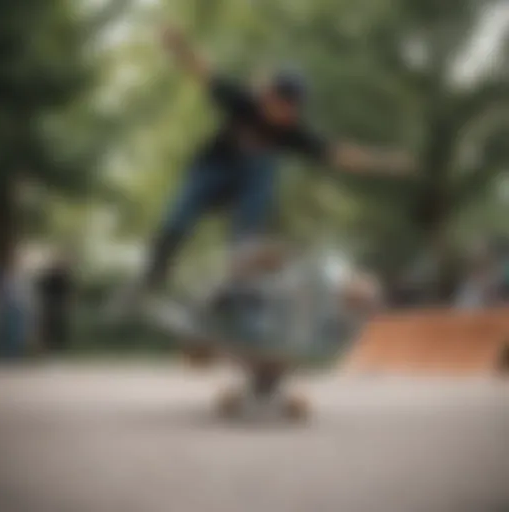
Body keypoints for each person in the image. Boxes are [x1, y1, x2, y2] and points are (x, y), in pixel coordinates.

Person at [115, 24, 416, 315]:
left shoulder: (293, 132)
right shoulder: (243, 103)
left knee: (262, 170)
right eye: (285, 107)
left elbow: (339, 154)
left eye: (294, 110)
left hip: (246, 187)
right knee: (183, 209)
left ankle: (238, 282)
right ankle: (154, 271)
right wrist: (179, 45)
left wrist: (386, 161)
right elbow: (205, 72)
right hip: (211, 174)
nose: (288, 116)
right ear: (269, 98)